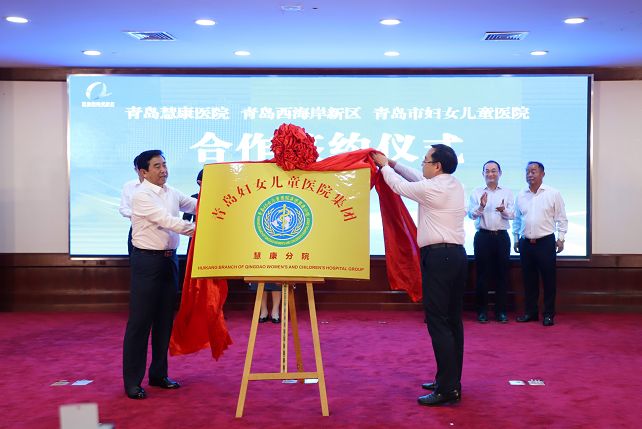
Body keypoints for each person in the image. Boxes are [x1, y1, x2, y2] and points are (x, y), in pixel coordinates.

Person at [371, 144, 467, 407]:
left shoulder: (434, 189)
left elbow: (401, 187)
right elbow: (413, 176)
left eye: (425, 161)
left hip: (440, 259)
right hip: (456, 257)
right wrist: (392, 163)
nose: (422, 164)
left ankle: (447, 389)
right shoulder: (452, 184)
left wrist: (382, 167)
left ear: (437, 166)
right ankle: (450, 381)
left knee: (438, 322)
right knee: (452, 322)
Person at [122, 149, 197, 400]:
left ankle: (158, 374)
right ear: (143, 172)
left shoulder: (171, 191)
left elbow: (197, 205)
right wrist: (201, 229)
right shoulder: (141, 195)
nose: (164, 170)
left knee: (164, 322)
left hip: (169, 262)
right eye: (157, 166)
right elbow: (169, 221)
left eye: (164, 164)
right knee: (140, 323)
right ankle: (133, 381)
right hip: (147, 263)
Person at [513, 161, 568, 327]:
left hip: (545, 242)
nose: (530, 174)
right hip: (526, 243)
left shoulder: (553, 193)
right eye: (527, 171)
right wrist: (516, 239)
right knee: (529, 280)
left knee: (549, 280)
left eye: (534, 171)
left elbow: (561, 218)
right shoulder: (521, 194)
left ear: (542, 174)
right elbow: (517, 219)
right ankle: (530, 312)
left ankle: (549, 314)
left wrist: (561, 238)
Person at [467, 160, 514, 324]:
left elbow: (513, 215)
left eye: (494, 171)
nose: (490, 174)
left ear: (500, 173)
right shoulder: (476, 192)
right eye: (487, 171)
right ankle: (482, 311)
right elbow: (471, 215)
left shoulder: (507, 192)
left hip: (501, 237)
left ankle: (501, 311)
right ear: (483, 174)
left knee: (502, 275)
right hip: (483, 237)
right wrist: (481, 206)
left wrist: (503, 210)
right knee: (482, 275)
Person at [118, 155, 145, 255]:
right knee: (135, 261)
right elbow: (123, 208)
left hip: (159, 231)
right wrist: (139, 214)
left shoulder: (165, 187)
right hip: (137, 228)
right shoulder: (129, 186)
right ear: (136, 169)